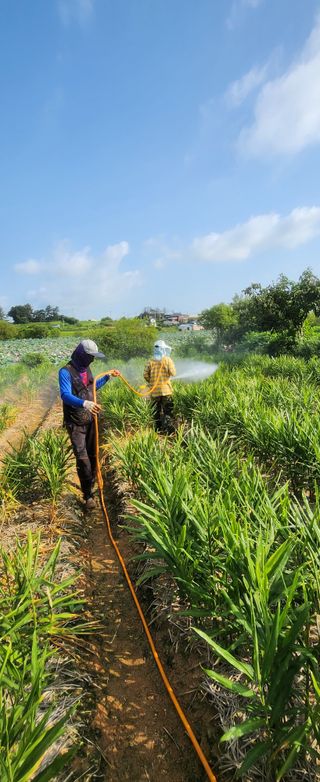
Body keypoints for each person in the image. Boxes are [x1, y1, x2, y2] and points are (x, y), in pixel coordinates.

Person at [59, 339, 120, 510]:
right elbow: (65, 394)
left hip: (91, 419)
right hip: (76, 422)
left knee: (93, 456)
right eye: (90, 357)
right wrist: (84, 403)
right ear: (81, 355)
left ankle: (92, 485)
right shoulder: (66, 372)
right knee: (83, 458)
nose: (92, 360)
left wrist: (107, 377)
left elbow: (91, 388)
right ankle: (88, 496)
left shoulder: (87, 370)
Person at [143, 339, 176, 434]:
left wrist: (152, 382)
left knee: (156, 411)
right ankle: (168, 431)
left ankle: (157, 430)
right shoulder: (168, 360)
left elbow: (145, 375)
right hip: (167, 391)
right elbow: (173, 373)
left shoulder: (150, 361)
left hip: (154, 392)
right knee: (167, 411)